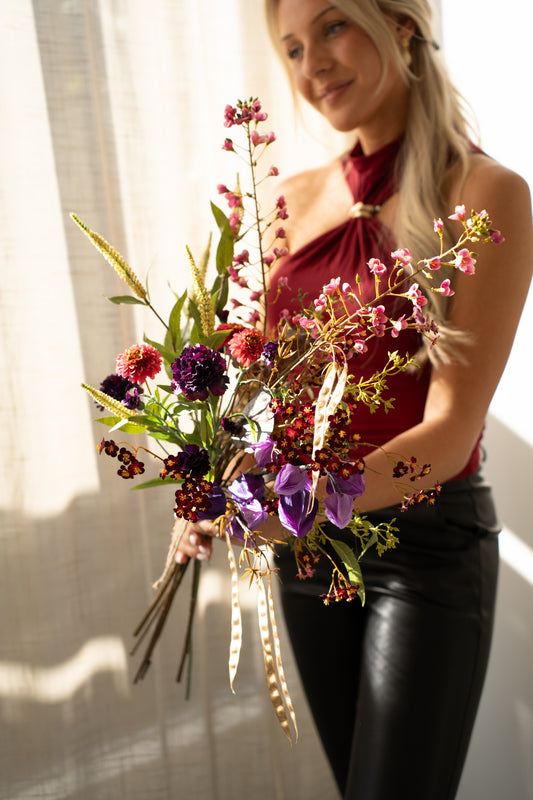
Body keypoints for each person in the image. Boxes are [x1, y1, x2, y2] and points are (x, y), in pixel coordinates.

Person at [177, 1, 533, 798]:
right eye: (292, 47)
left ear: (400, 23)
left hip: (425, 551)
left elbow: (450, 433)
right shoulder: (289, 199)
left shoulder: (487, 193)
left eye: (333, 26)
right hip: (307, 552)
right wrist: (215, 481)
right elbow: (256, 382)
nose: (311, 65)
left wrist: (297, 503)